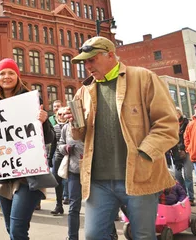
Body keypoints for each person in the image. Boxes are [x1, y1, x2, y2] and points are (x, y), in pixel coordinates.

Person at [66, 36, 178, 240]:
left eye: (92, 59)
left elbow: (168, 123)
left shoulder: (143, 78)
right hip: (98, 180)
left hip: (139, 175)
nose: (87, 66)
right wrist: (74, 121)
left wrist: (144, 153)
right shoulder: (84, 91)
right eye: (85, 61)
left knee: (143, 236)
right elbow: (80, 136)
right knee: (93, 235)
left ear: (110, 55)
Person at [0, 58, 54, 240]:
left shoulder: (31, 99)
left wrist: (44, 121)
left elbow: (50, 137)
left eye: (11, 72)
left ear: (17, 76)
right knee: (10, 229)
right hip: (4, 177)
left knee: (17, 230)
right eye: (2, 73)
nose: (7, 77)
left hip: (28, 177)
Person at [57, 120, 84, 240]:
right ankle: (72, 237)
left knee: (99, 205)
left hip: (93, 171)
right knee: (74, 206)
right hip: (74, 171)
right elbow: (60, 144)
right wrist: (65, 148)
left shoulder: (91, 123)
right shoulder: (66, 127)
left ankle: (110, 233)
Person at [170, 107, 194, 206]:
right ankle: (184, 195)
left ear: (180, 113)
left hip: (186, 151)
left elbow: (190, 137)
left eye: (177, 113)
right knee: (177, 175)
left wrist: (184, 148)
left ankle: (191, 197)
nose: (176, 115)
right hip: (175, 153)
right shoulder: (170, 124)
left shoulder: (187, 123)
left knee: (188, 175)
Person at [48, 106, 68, 215]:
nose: (62, 116)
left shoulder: (72, 126)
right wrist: (50, 158)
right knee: (57, 182)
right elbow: (53, 144)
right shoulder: (55, 127)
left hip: (71, 157)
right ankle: (58, 205)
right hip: (58, 157)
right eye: (59, 114)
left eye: (64, 114)